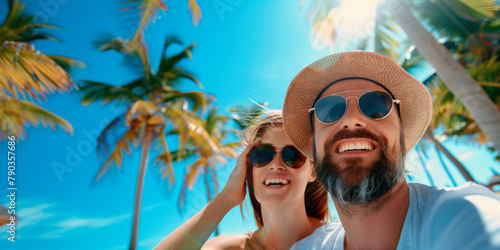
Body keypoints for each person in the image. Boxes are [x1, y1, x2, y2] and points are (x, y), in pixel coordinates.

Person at [282, 51, 500, 249]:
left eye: (376, 108)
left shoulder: (466, 216)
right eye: (329, 112)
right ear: (313, 144)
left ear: (402, 134)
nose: (350, 119)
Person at [155, 111, 330, 250]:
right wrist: (227, 197)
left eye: (293, 155)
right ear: (248, 166)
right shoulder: (227, 248)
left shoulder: (341, 238)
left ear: (313, 172)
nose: (276, 165)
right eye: (262, 154)